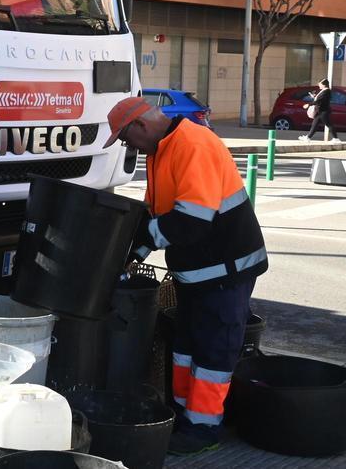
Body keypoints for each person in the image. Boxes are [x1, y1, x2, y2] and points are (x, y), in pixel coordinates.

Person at [105, 96, 267, 456]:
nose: (127, 146)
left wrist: (145, 240)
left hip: (227, 270)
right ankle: (182, 415)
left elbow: (193, 219)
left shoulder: (194, 143)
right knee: (186, 348)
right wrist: (134, 253)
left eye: (125, 138)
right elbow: (155, 212)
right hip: (196, 273)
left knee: (213, 351)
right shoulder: (158, 152)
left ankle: (204, 429)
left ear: (142, 127)